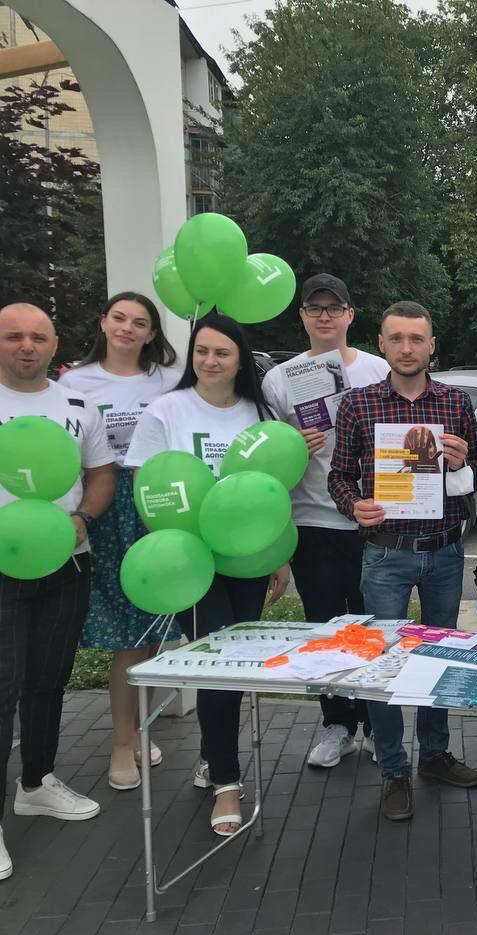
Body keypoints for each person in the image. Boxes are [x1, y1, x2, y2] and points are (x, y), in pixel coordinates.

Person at [124, 311, 291, 836]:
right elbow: (148, 490)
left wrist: (277, 556)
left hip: (246, 559)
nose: (210, 360)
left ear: (240, 360)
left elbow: (270, 491)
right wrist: (174, 549)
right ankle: (226, 781)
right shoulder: (166, 410)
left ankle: (209, 754)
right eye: (201, 351)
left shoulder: (256, 412)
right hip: (189, 559)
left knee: (233, 666)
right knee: (221, 662)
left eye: (222, 352)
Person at [328, 301, 477, 823]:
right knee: (385, 665)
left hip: (442, 551)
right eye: (397, 338)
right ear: (383, 343)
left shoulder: (457, 405)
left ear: (432, 345)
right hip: (386, 554)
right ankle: (394, 770)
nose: (408, 348)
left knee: (441, 661)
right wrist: (355, 504)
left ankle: (435, 755)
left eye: (417, 338)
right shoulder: (357, 406)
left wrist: (463, 465)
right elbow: (338, 477)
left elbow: (476, 482)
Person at [0, 303, 115, 879]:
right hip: (1, 566)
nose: (26, 346)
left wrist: (85, 521)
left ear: (53, 343)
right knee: (3, 685)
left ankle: (36, 782)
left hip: (67, 561)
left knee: (48, 679)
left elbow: (101, 473)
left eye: (37, 336)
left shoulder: (77, 402)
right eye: (13, 336)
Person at [260, 274, 389, 768]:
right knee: (324, 630)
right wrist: (294, 446)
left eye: (334, 308)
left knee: (374, 627)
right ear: (302, 317)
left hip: (371, 520)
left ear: (350, 315)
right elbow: (269, 460)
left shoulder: (378, 369)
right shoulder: (279, 379)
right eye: (315, 308)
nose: (324, 316)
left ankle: (378, 725)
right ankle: (337, 724)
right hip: (312, 519)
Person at [60, 292, 183, 792]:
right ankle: (120, 740)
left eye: (140, 322)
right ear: (103, 324)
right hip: (106, 503)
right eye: (119, 319)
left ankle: (141, 727)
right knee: (124, 635)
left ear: (152, 333)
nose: (128, 329)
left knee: (153, 626)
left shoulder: (168, 382)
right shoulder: (75, 381)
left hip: (159, 502)